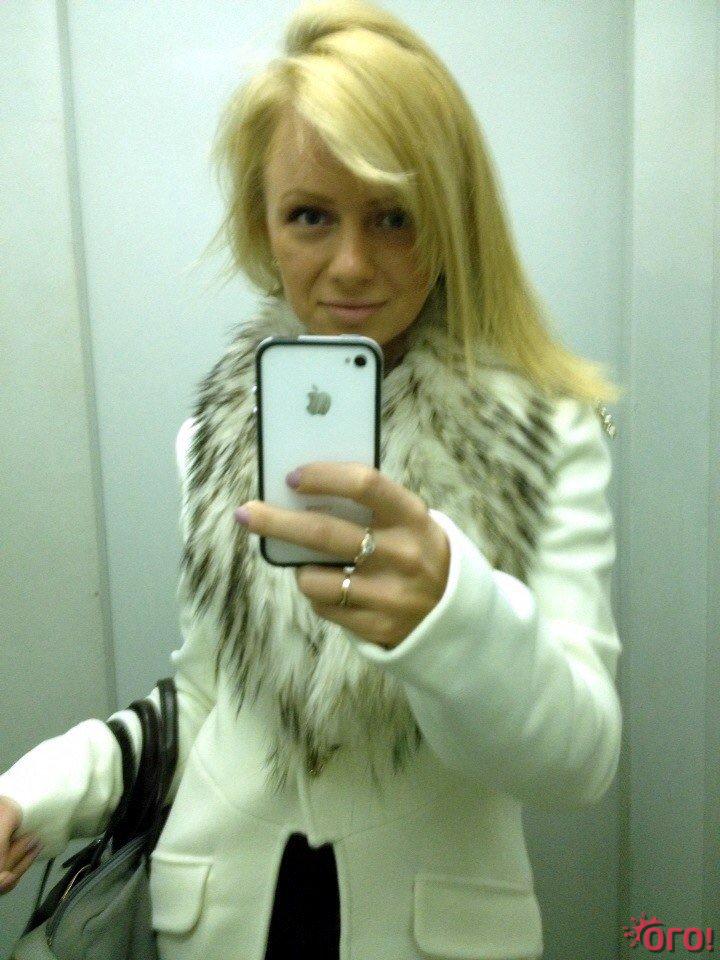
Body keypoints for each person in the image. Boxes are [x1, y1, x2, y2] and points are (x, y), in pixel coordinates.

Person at [0, 0, 624, 957]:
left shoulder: (543, 434)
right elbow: (208, 705)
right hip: (218, 925)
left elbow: (580, 763)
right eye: (310, 216)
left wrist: (454, 616)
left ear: (451, 220)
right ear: (264, 224)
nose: (351, 264)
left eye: (394, 216)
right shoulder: (215, 436)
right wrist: (33, 793)